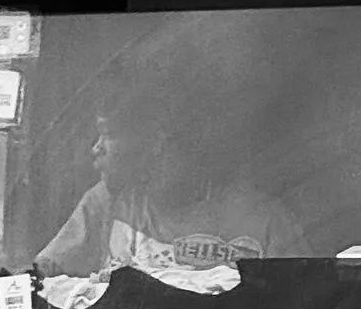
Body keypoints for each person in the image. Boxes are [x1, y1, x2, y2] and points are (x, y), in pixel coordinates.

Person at [37, 95, 305, 281]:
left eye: (108, 135)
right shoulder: (106, 203)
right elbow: (43, 275)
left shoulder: (263, 220)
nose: (96, 149)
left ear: (157, 143)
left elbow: (303, 297)